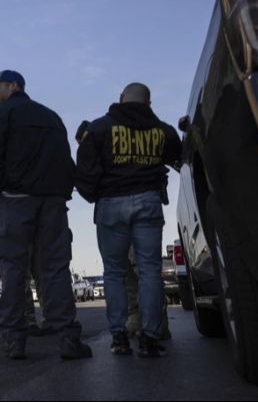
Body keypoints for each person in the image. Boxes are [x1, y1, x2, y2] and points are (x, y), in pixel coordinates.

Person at [0, 70, 92, 361]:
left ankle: (15, 340)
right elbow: (65, 160)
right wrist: (62, 194)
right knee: (55, 268)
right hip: (52, 203)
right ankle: (67, 336)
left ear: (14, 85)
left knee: (14, 269)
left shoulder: (0, 116)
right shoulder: (52, 117)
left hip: (16, 202)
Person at [75, 82, 181, 358]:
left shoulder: (99, 128)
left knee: (113, 273)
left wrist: (94, 194)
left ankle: (119, 337)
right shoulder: (162, 130)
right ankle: (150, 337)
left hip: (111, 203)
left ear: (121, 99)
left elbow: (84, 168)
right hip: (148, 201)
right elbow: (179, 154)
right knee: (149, 271)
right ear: (148, 104)